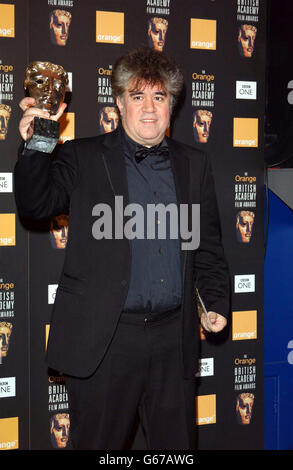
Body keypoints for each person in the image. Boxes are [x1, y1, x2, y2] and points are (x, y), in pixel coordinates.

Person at [14, 46, 230, 450]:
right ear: (118, 103)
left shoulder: (194, 164)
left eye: (159, 97)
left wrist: (215, 300)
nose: (149, 109)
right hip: (104, 343)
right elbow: (34, 205)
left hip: (173, 342)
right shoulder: (81, 156)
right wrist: (40, 141)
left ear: (172, 104)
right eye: (137, 96)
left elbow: (208, 246)